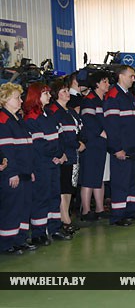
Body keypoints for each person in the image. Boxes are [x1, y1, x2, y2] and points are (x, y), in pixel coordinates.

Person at [24, 83, 71, 244]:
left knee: (54, 197)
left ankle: (54, 228)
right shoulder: (31, 118)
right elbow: (39, 144)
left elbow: (60, 136)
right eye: (46, 94)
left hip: (53, 163)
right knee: (41, 198)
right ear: (36, 96)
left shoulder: (49, 114)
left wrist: (61, 154)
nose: (50, 96)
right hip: (41, 164)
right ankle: (38, 233)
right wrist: (57, 154)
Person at [103, 65, 135, 226]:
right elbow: (111, 126)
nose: (134, 79)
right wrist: (116, 149)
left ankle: (131, 211)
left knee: (132, 181)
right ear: (121, 77)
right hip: (121, 149)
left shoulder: (129, 96)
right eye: (131, 76)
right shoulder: (113, 96)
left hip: (133, 147)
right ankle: (118, 216)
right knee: (120, 183)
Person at [0, 83, 35, 255]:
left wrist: (30, 170)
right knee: (11, 209)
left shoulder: (18, 120)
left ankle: (20, 239)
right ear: (5, 99)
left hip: (25, 172)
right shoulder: (3, 121)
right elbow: (6, 151)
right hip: (13, 174)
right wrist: (11, 172)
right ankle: (7, 243)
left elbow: (27, 147)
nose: (21, 101)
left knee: (23, 208)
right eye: (17, 97)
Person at [47, 80, 86, 234]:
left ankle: (66, 216)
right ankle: (65, 220)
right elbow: (60, 136)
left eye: (67, 91)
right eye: (63, 91)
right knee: (63, 187)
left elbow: (81, 129)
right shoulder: (54, 111)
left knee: (69, 187)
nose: (67, 94)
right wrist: (76, 145)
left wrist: (82, 142)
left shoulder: (70, 111)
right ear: (55, 94)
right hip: (64, 154)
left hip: (73, 155)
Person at [79, 71, 111, 221]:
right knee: (89, 178)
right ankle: (86, 211)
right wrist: (102, 132)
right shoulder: (89, 100)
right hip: (92, 144)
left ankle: (99, 208)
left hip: (102, 144)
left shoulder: (103, 100)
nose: (108, 84)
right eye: (105, 81)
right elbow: (88, 120)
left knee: (100, 177)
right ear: (97, 84)